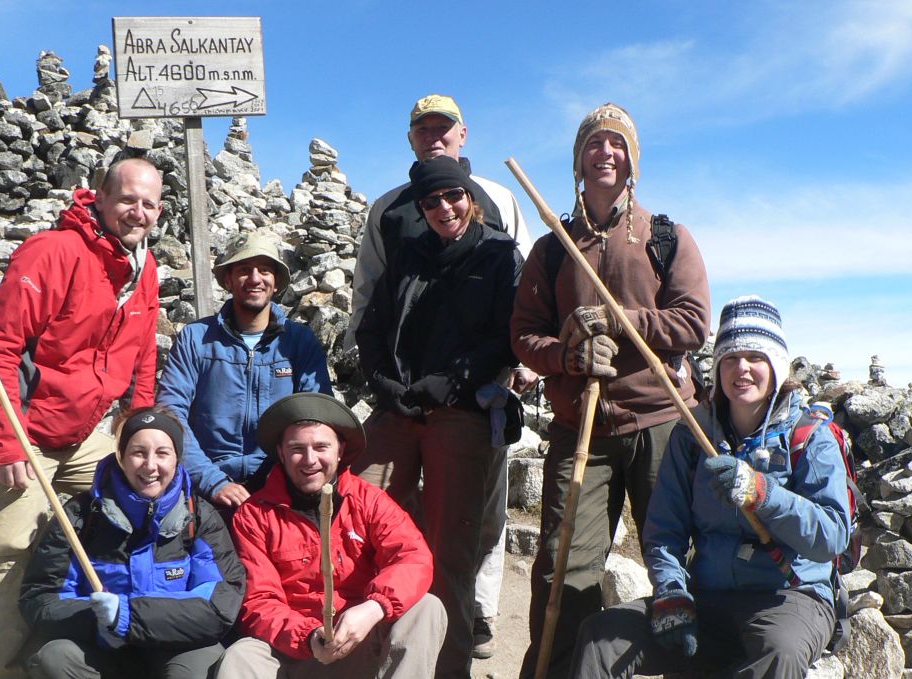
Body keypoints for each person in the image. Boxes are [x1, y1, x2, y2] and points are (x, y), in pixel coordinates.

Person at [509, 102, 712, 679]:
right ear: (578, 161)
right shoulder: (552, 248)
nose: (606, 152)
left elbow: (694, 320)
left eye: (617, 144)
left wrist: (623, 320)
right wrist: (569, 354)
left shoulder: (666, 237)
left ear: (632, 162)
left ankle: (690, 667)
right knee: (563, 566)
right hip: (583, 428)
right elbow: (524, 337)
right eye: (594, 144)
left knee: (675, 558)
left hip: (663, 423)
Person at [569, 296, 853, 679]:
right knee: (600, 634)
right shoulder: (692, 435)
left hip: (790, 597)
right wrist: (671, 591)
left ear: (777, 364)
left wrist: (763, 494)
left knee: (779, 653)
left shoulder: (811, 436)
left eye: (756, 357)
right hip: (708, 595)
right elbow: (664, 529)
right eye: (731, 358)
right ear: (717, 367)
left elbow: (831, 536)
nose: (743, 369)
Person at [0, 157, 164, 679]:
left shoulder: (143, 268)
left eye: (149, 204)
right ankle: (0, 671)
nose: (137, 213)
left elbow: (141, 357)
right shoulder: (53, 252)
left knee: (129, 508)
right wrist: (7, 444)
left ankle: (87, 645)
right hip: (19, 430)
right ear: (99, 197)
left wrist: (135, 435)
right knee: (14, 559)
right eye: (127, 200)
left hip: (79, 435)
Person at [348, 95, 535, 657]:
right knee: (364, 511)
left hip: (467, 402)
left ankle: (452, 650)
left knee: (461, 531)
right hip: (400, 405)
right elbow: (372, 312)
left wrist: (459, 382)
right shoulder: (399, 236)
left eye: (454, 195)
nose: (444, 207)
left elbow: (513, 322)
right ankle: (368, 640)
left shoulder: (501, 246)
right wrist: (381, 381)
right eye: (433, 199)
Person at [221, 392, 446, 678]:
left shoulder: (370, 501)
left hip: (360, 641)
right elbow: (258, 601)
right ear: (281, 453)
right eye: (297, 448)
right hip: (293, 650)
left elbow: (413, 557)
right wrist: (308, 636)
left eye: (321, 447)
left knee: (426, 608)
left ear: (340, 450)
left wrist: (375, 607)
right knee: (240, 657)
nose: (310, 459)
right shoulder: (253, 515)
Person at [19, 406, 246, 679]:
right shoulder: (81, 516)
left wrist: (126, 615)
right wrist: (96, 621)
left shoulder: (199, 517)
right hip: (104, 650)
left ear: (177, 460)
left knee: (204, 666)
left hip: (176, 647)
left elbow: (219, 606)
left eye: (162, 453)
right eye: (138, 452)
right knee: (55, 658)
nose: (150, 465)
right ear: (122, 457)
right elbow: (40, 599)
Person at [157, 230, 332, 511]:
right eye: (243, 270)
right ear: (228, 280)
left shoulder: (299, 341)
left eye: (264, 270)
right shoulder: (195, 338)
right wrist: (212, 480)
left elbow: (316, 417)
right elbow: (171, 413)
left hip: (280, 483)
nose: (254, 278)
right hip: (207, 482)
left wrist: (280, 480)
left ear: (276, 283)